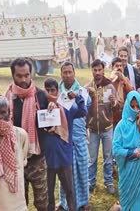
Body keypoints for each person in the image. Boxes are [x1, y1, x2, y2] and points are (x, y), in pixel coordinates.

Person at [5, 58, 55, 210]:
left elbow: (49, 125)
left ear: (31, 73)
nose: (23, 79)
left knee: (42, 203)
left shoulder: (41, 96)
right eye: (19, 76)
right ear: (13, 75)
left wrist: (52, 112)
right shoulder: (6, 99)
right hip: (15, 160)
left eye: (26, 75)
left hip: (37, 159)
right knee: (20, 204)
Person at [43, 77, 88, 211]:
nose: (51, 93)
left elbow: (83, 111)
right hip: (48, 158)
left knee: (69, 190)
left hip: (64, 156)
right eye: (48, 90)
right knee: (48, 193)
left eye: (53, 90)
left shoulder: (66, 108)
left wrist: (78, 97)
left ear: (57, 91)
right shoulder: (40, 110)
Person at [112, 91, 140, 211]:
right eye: (132, 106)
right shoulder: (121, 126)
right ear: (127, 106)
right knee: (129, 205)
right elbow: (116, 150)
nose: (135, 109)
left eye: (138, 106)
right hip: (128, 172)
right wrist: (133, 153)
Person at [58, 62, 91, 210]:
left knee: (82, 171)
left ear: (74, 73)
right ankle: (65, 203)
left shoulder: (83, 92)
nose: (67, 75)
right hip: (63, 140)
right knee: (66, 173)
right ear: (61, 74)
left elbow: (87, 112)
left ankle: (83, 202)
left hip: (80, 138)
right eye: (65, 72)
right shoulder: (57, 93)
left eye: (70, 72)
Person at [85, 59, 119, 194]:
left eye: (100, 70)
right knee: (92, 159)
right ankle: (91, 182)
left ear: (103, 70)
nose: (98, 72)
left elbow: (116, 108)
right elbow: (84, 109)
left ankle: (108, 182)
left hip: (107, 128)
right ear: (92, 71)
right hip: (93, 130)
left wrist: (114, 102)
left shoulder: (110, 87)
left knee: (108, 157)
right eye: (95, 70)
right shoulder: (88, 88)